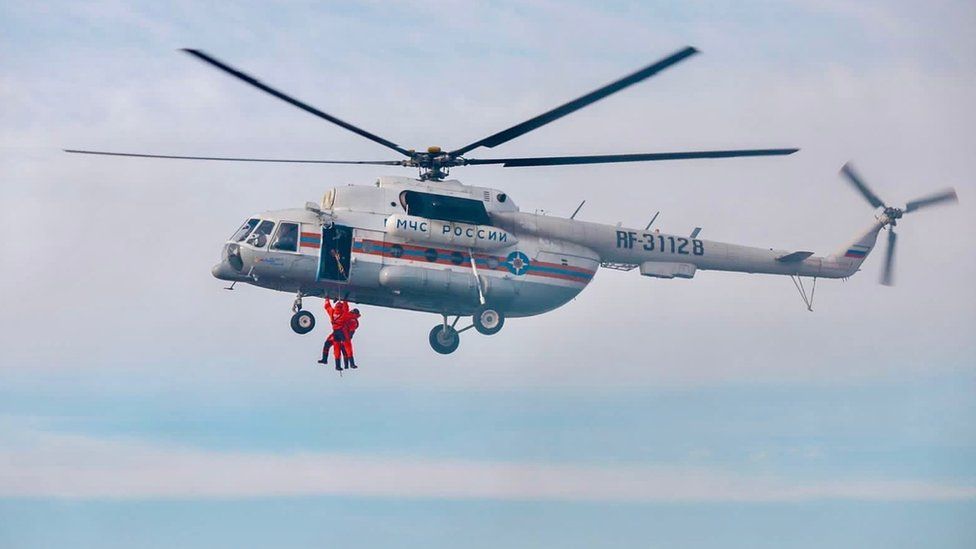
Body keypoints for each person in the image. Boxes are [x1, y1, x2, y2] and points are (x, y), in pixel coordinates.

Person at [318, 298, 349, 371]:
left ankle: (324, 359)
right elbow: (347, 309)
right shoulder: (344, 313)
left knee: (327, 345)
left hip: (335, 333)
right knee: (341, 350)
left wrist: (327, 299)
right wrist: (345, 300)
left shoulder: (332, 312)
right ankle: (341, 365)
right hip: (342, 334)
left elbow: (327, 306)